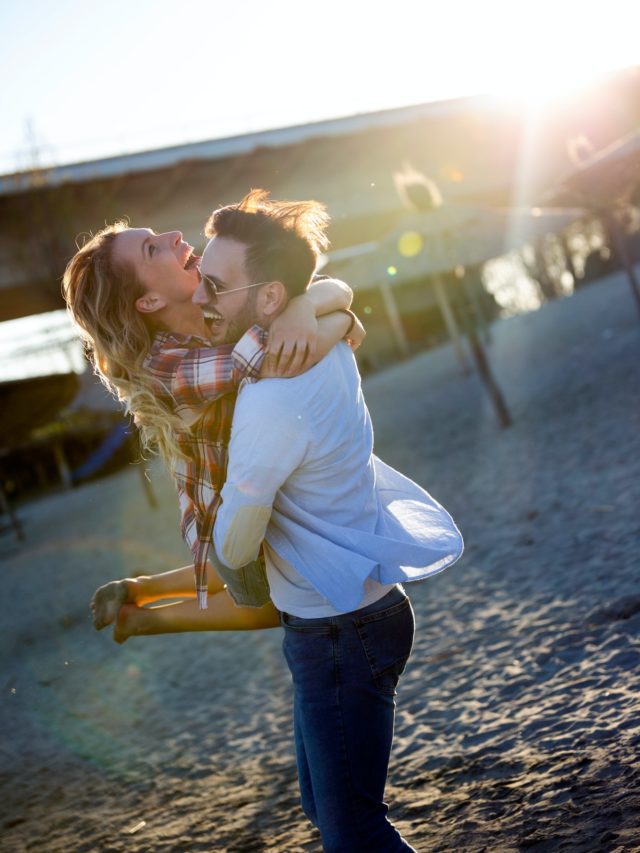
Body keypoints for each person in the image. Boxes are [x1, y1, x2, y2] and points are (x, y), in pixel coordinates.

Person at [195, 190, 464, 852]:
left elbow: (234, 538)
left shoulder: (272, 395)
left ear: (268, 299)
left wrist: (231, 555)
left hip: (340, 629)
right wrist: (320, 302)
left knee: (350, 827)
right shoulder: (321, 342)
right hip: (354, 615)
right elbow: (330, 293)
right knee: (326, 807)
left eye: (213, 284)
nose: (200, 294)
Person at [62, 217, 362, 641]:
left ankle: (138, 588)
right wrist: (340, 321)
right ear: (147, 301)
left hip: (253, 512)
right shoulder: (166, 366)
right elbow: (279, 354)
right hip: (233, 528)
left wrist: (307, 307)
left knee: (256, 572)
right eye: (152, 249)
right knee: (281, 602)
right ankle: (145, 618)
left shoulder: (217, 318)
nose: (174, 236)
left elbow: (329, 287)